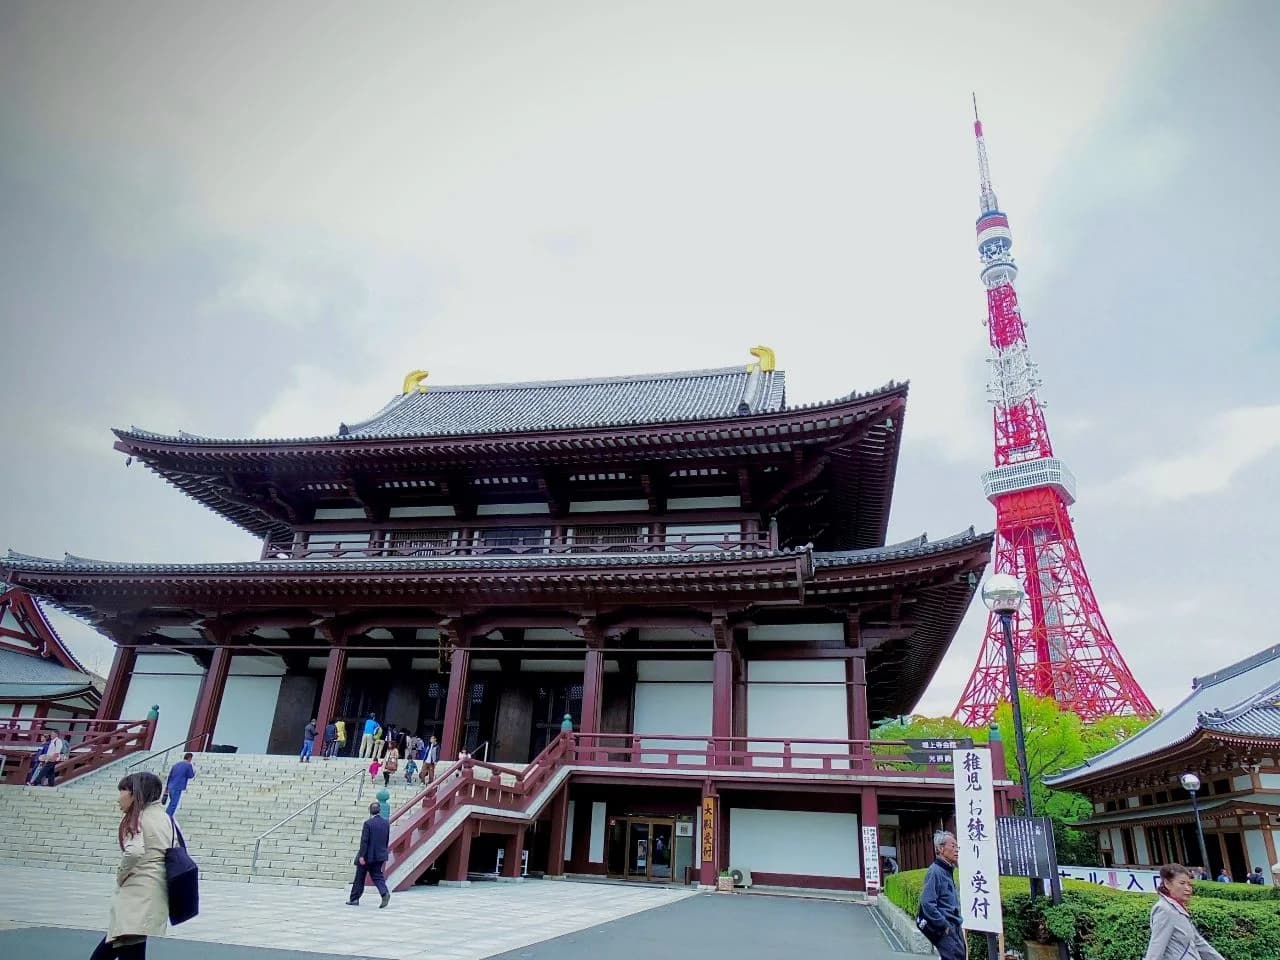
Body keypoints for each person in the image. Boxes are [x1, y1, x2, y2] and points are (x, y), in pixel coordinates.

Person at [90, 771, 171, 959]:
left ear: (135, 793)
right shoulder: (165, 818)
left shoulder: (140, 818)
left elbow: (134, 851)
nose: (119, 797)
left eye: (122, 791)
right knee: (123, 943)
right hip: (155, 889)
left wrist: (121, 874)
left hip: (137, 891)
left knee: (123, 943)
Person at [1143, 863, 1225, 960]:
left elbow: (1200, 944)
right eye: (1182, 883)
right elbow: (1155, 950)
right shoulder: (1164, 909)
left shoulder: (1178, 910)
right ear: (1167, 884)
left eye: (1189, 884)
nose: (1188, 888)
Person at [919, 830, 964, 960]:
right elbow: (927, 903)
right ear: (940, 849)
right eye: (953, 846)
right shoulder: (935, 872)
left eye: (957, 846)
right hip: (947, 928)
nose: (956, 850)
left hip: (954, 927)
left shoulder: (947, 870)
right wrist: (943, 925)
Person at [346, 801, 391, 908]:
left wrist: (362, 855)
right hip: (380, 854)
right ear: (379, 810)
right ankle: (384, 893)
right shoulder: (386, 823)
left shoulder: (368, 823)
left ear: (370, 811)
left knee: (359, 877)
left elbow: (364, 841)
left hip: (367, 856)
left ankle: (355, 898)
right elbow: (386, 839)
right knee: (377, 876)